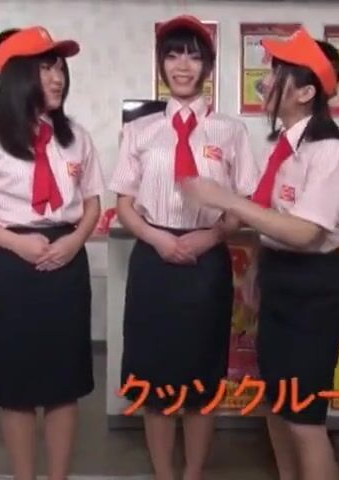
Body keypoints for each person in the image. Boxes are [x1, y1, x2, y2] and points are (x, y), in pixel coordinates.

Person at [181, 28, 339, 480]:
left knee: (305, 419)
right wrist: (256, 272)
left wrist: (226, 198)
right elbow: (274, 220)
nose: (265, 82)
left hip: (314, 289)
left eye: (277, 74)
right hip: (280, 279)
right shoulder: (283, 147)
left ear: (305, 92)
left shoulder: (332, 152)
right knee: (278, 405)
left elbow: (304, 231)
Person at [0, 25, 104, 480]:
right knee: (15, 388)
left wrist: (74, 241)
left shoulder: (76, 137)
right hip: (9, 265)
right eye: (44, 68)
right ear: (15, 76)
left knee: (64, 385)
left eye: (60, 69)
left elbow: (93, 202)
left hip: (67, 263)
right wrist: (17, 243)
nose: (57, 78)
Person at [109, 14, 259, 480]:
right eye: (173, 55)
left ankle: (193, 473)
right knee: (154, 379)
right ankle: (163, 473)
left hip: (206, 262)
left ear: (208, 67)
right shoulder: (139, 131)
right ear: (161, 64)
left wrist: (210, 236)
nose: (182, 65)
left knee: (201, 377)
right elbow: (124, 203)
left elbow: (243, 204)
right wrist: (157, 238)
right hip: (152, 260)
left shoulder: (231, 132)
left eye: (193, 57)